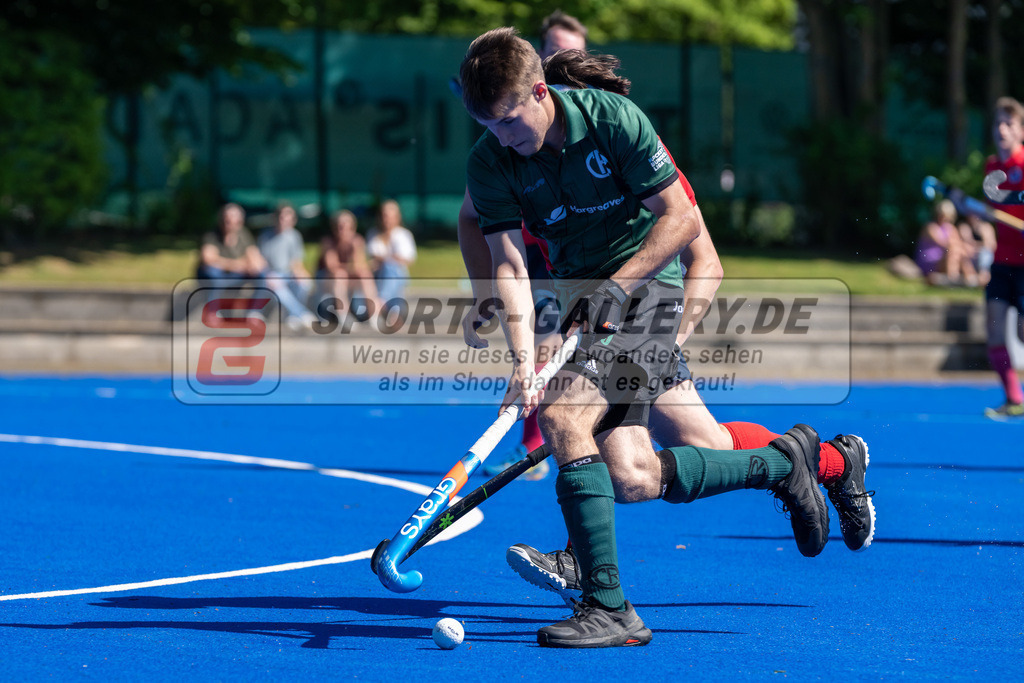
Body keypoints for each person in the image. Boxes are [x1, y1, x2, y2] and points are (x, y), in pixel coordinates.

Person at [458, 28, 873, 648]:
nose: (504, 140)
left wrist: (646, 324)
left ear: (541, 92)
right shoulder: (493, 161)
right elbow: (512, 265)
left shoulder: (617, 122)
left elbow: (686, 227)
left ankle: (607, 603)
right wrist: (525, 359)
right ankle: (792, 462)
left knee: (566, 415)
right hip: (581, 306)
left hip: (648, 289)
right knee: (634, 476)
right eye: (489, 127)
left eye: (511, 124)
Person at [476, 10, 594, 480]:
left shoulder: (602, 117)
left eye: (570, 48)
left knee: (687, 437)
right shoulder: (511, 126)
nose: (561, 55)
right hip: (538, 251)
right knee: (540, 346)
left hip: (607, 263)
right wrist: (481, 286)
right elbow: (472, 214)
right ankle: (534, 445)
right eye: (553, 47)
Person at [980, 96, 1024, 418]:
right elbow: (990, 216)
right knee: (994, 331)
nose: (1001, 129)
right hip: (1002, 262)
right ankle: (1014, 398)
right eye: (997, 123)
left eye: (1008, 123)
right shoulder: (991, 168)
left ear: (1021, 130)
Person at [258, 202, 318, 329]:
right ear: (275, 218)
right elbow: (261, 262)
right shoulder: (265, 236)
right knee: (277, 285)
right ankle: (301, 313)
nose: (283, 221)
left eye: (287, 218)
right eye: (281, 217)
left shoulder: (294, 236)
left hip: (288, 273)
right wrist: (268, 274)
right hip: (270, 274)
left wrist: (300, 274)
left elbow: (296, 262)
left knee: (304, 284)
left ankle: (292, 317)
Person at [317, 209, 382, 311]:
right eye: (340, 227)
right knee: (340, 275)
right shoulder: (328, 242)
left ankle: (374, 314)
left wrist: (355, 251)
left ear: (353, 227)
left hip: (346, 277)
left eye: (347, 227)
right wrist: (358, 265)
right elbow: (332, 267)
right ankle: (343, 314)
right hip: (327, 279)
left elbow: (358, 267)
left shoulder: (357, 241)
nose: (343, 231)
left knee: (365, 275)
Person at [197, 202, 267, 284]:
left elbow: (254, 255)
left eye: (232, 219)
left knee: (261, 275)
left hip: (237, 273)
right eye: (226, 219)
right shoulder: (212, 235)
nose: (228, 221)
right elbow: (209, 259)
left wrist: (254, 265)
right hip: (218, 275)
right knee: (213, 272)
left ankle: (257, 297)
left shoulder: (243, 234)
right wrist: (237, 265)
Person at [914, 199, 978, 287]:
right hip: (930, 261)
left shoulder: (950, 228)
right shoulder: (930, 228)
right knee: (954, 250)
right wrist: (962, 247)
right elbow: (944, 244)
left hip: (946, 259)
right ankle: (960, 277)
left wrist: (964, 248)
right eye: (941, 215)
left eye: (945, 215)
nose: (943, 218)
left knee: (957, 251)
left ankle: (966, 276)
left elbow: (957, 244)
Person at [367, 199, 417, 303]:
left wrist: (385, 260)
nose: (386, 220)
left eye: (389, 216)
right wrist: (391, 258)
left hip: (397, 275)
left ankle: (381, 301)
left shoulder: (403, 235)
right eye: (383, 216)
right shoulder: (373, 233)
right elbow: (373, 258)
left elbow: (407, 259)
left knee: (390, 268)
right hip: (377, 274)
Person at [959, 213, 996, 287]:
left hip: (984, 256)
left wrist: (976, 244)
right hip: (970, 255)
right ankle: (974, 279)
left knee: (985, 253)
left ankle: (981, 278)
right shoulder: (964, 227)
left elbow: (991, 245)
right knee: (963, 254)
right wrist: (979, 245)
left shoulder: (986, 227)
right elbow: (965, 244)